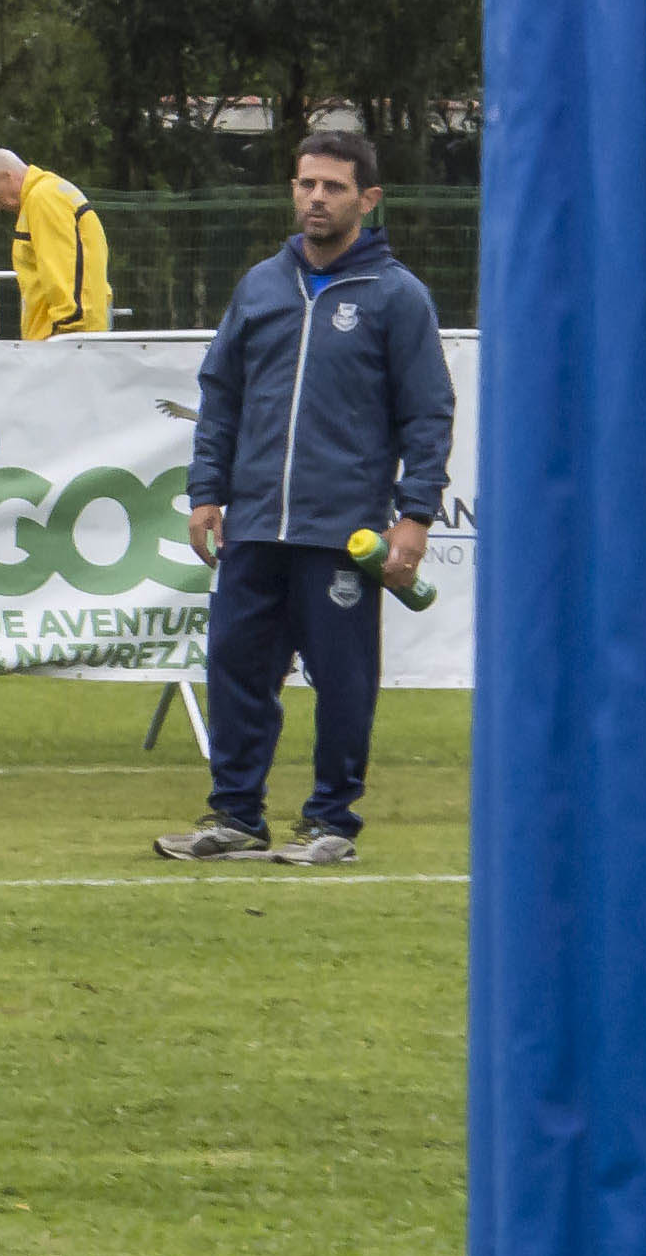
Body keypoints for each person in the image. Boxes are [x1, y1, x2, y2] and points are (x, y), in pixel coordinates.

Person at [158, 128, 456, 868]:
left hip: (342, 530)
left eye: (333, 186)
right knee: (233, 665)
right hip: (255, 521)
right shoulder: (261, 283)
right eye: (305, 184)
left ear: (368, 199)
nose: (316, 197)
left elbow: (428, 413)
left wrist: (414, 515)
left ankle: (332, 821)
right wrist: (207, 493)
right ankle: (234, 814)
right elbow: (220, 394)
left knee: (343, 680)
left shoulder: (398, 297)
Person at [0, 144, 111, 340]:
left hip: (64, 340)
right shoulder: (49, 192)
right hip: (69, 338)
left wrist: (67, 333)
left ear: (7, 176)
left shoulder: (42, 199)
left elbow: (61, 272)